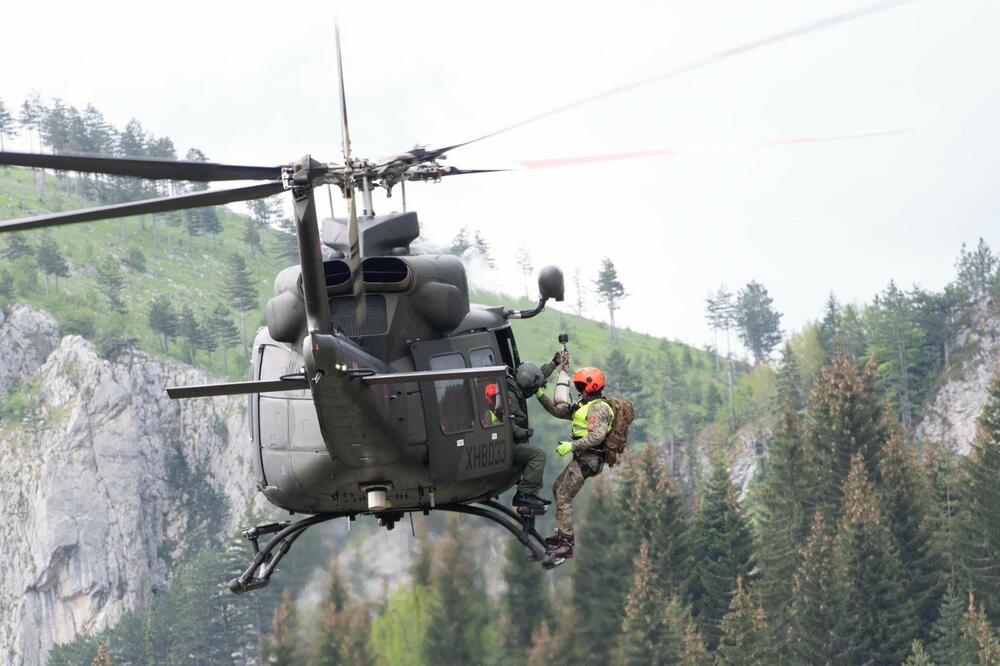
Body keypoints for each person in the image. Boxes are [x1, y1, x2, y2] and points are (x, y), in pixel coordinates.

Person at [535, 365, 614, 559]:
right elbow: (557, 410)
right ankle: (563, 534)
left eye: (580, 386)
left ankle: (566, 543)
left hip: (590, 458)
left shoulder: (599, 408)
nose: (578, 390)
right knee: (558, 488)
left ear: (590, 386)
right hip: (583, 456)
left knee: (563, 494)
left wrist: (572, 446)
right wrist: (538, 393)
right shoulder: (583, 406)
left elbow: (597, 437)